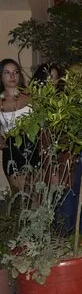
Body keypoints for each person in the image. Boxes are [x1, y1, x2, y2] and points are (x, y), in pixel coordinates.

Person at [0, 59, 37, 193]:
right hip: (11, 150)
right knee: (18, 194)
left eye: (15, 72)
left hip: (33, 146)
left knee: (35, 193)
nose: (12, 76)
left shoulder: (30, 95)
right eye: (7, 72)